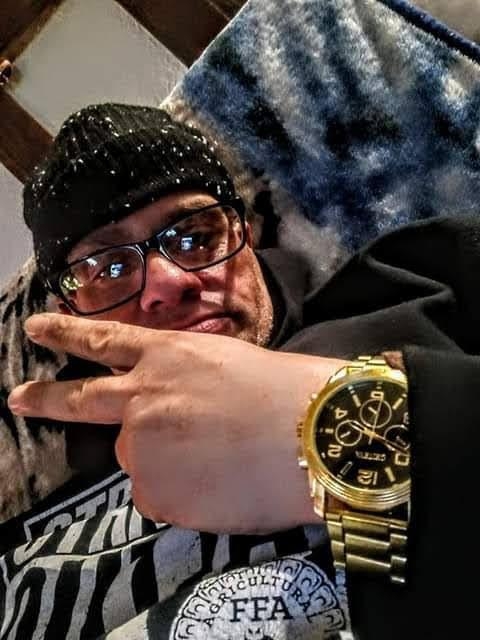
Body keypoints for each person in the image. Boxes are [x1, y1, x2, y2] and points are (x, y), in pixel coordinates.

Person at [4, 102, 480, 640]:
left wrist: (337, 425)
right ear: (73, 314)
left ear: (244, 232)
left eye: (193, 236)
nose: (168, 284)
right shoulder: (40, 531)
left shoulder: (422, 285)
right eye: (110, 269)